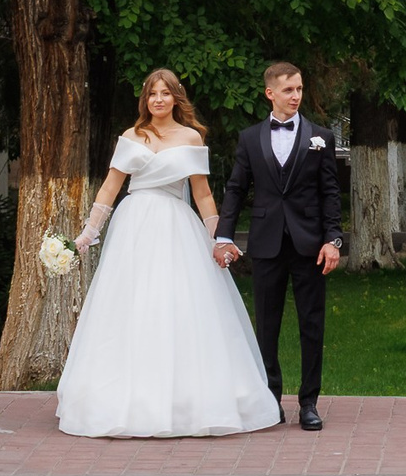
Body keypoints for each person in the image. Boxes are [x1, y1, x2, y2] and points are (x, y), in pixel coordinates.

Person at [55, 70, 281, 438]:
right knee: (129, 307)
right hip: (134, 227)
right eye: (151, 94)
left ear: (177, 98)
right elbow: (110, 189)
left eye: (165, 93)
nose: (158, 99)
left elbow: (203, 194)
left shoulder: (190, 137)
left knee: (178, 305)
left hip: (176, 225)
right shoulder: (131, 137)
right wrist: (87, 235)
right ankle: (121, 398)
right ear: (145, 100)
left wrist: (219, 238)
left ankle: (186, 400)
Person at [214, 61, 343, 431]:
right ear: (270, 93)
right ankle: (270, 399)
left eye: (299, 89)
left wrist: (333, 240)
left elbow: (330, 192)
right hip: (266, 243)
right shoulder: (250, 138)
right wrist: (224, 236)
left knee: (311, 324)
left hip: (310, 245)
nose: (296, 96)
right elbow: (236, 189)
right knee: (266, 326)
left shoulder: (321, 136)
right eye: (288, 90)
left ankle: (309, 402)